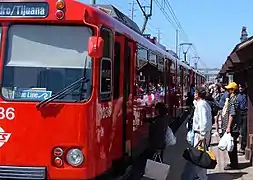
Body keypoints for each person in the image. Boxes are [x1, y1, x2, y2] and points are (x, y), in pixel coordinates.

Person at [181, 87, 212, 180]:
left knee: (200, 155)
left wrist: (202, 134)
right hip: (201, 133)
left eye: (195, 93)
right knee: (200, 154)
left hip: (200, 134)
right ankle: (200, 175)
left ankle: (201, 177)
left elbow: (204, 121)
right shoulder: (202, 103)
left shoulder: (202, 105)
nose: (194, 94)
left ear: (198, 94)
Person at [222, 82, 241, 170]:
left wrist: (228, 127)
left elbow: (232, 114)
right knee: (231, 146)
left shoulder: (233, 100)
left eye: (229, 89)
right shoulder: (233, 99)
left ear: (233, 90)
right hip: (233, 127)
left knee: (231, 147)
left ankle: (233, 164)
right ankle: (233, 163)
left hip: (233, 128)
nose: (227, 91)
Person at [237, 83, 247, 155]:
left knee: (243, 131)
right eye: (239, 87)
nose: (240, 88)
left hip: (245, 113)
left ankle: (243, 148)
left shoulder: (246, 95)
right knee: (240, 130)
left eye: (242, 87)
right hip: (239, 113)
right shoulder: (238, 95)